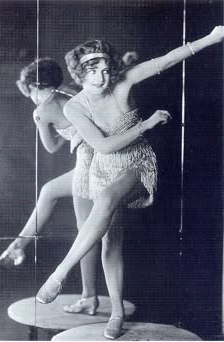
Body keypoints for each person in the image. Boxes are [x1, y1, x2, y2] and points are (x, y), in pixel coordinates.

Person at [36, 26, 224, 339]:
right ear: (79, 73)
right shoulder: (74, 106)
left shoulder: (124, 80)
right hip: (103, 168)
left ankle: (60, 272)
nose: (102, 77)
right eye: (93, 71)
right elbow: (104, 147)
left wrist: (213, 37)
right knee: (111, 242)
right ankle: (118, 314)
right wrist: (147, 123)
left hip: (138, 164)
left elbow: (166, 60)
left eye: (107, 69)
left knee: (108, 197)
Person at [0, 57, 166, 316]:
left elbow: (51, 147)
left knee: (88, 233)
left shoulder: (43, 110)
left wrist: (42, 124)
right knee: (50, 191)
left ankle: (88, 296)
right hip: (99, 157)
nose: (32, 98)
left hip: (89, 164)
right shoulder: (72, 91)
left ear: (36, 87)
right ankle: (18, 245)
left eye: (31, 92)